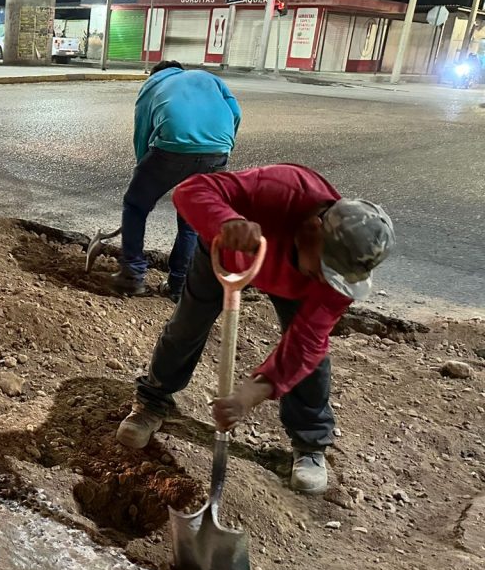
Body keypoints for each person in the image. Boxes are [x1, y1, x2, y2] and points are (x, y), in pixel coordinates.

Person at [115, 164, 395, 495]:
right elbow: (191, 190)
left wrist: (247, 397)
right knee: (186, 326)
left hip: (294, 283)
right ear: (313, 228)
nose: (328, 280)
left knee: (312, 360)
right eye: (327, 268)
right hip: (226, 255)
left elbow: (305, 345)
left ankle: (309, 443)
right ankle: (152, 401)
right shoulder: (282, 190)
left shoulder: (338, 280)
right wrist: (226, 221)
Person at [111, 61, 241, 302]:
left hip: (172, 148)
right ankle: (179, 285)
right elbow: (236, 113)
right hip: (217, 150)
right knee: (191, 219)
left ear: (155, 74)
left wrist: (143, 175)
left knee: (135, 205)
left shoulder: (152, 86)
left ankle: (132, 277)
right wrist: (223, 147)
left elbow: (142, 133)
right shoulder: (208, 78)